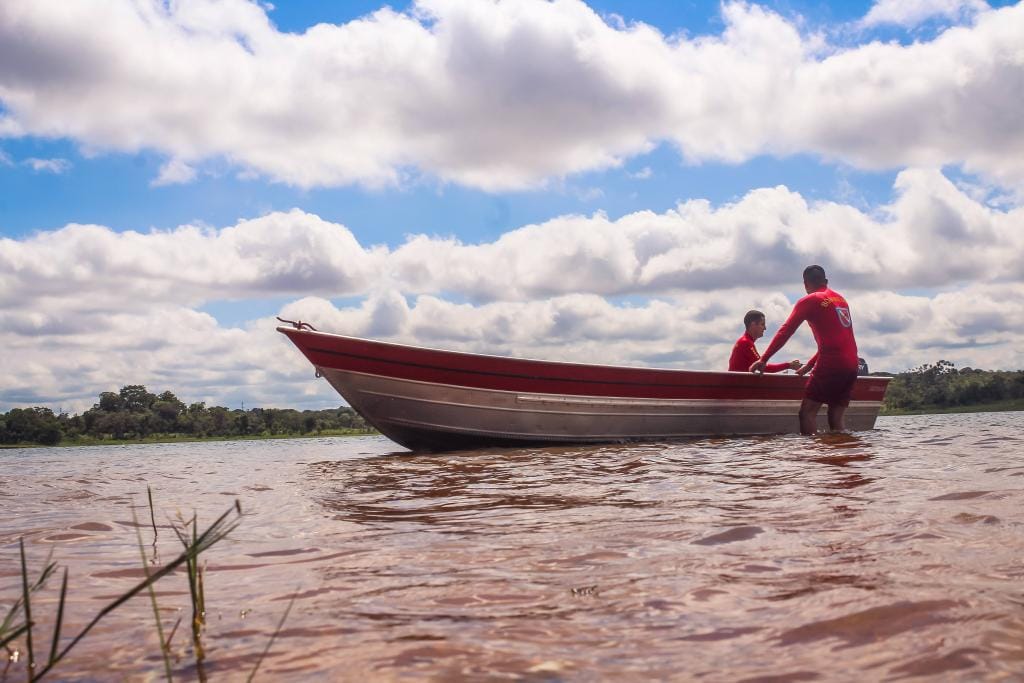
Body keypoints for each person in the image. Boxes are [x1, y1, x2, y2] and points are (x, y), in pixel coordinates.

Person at [750, 265, 859, 435]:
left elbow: (786, 330)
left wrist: (764, 359)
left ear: (805, 284)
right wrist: (808, 366)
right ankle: (842, 455)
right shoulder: (841, 300)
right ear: (826, 281)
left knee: (807, 412)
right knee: (835, 416)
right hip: (852, 363)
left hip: (832, 362)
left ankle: (812, 459)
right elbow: (838, 340)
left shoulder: (810, 300)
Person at [728, 310, 800, 373]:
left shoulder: (744, 341)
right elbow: (763, 367)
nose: (765, 328)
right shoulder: (746, 343)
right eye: (762, 324)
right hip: (737, 386)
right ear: (753, 325)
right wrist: (789, 365)